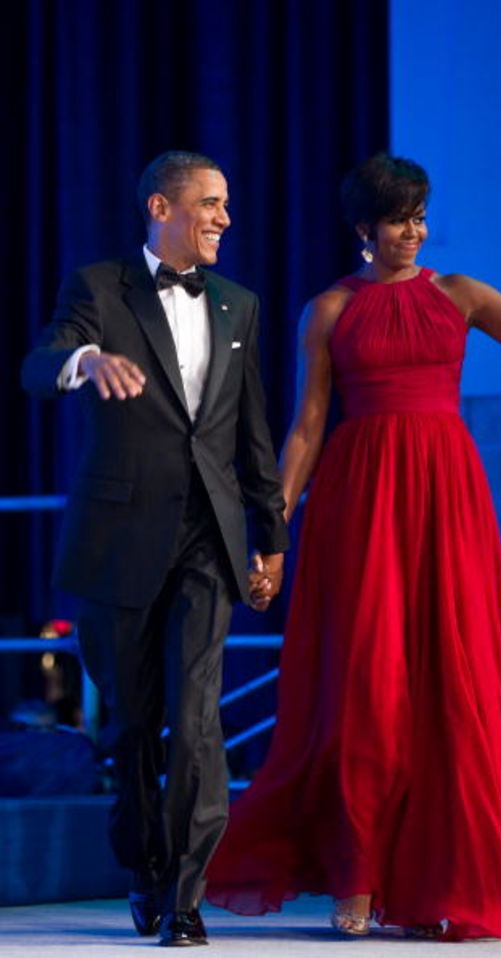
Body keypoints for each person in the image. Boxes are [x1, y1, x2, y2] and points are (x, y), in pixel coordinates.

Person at [204, 153, 501, 941]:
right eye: (398, 218)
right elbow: (304, 429)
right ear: (364, 228)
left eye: (420, 216)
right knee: (365, 690)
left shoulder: (458, 294)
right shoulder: (329, 309)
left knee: (452, 686)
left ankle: (447, 877)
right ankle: (356, 877)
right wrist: (274, 536)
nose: (413, 231)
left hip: (445, 501)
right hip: (359, 504)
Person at [21, 150, 289, 947]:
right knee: (135, 725)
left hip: (209, 539)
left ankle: (185, 892)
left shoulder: (239, 304)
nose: (225, 219)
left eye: (228, 204)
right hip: (118, 541)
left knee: (196, 713)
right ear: (160, 207)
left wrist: (270, 540)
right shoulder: (99, 287)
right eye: (210, 203)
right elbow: (38, 365)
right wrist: (86, 360)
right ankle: (144, 867)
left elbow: (253, 433)